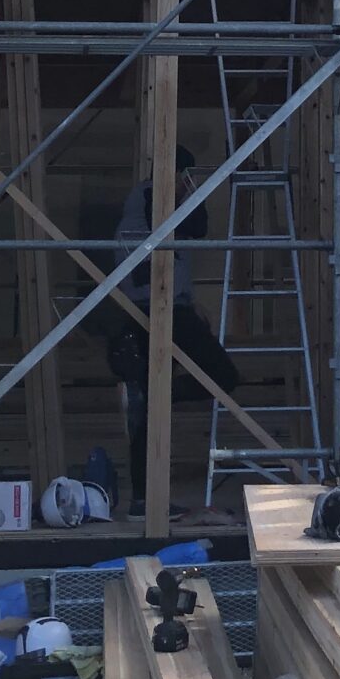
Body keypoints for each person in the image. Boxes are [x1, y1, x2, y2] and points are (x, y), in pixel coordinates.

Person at [105, 145, 241, 509]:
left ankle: (142, 500)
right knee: (222, 375)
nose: (188, 185)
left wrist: (191, 299)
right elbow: (196, 228)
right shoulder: (153, 197)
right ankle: (155, 396)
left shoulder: (145, 200)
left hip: (157, 306)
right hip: (158, 309)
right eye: (187, 178)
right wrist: (193, 191)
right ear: (179, 174)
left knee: (149, 413)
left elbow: (177, 248)